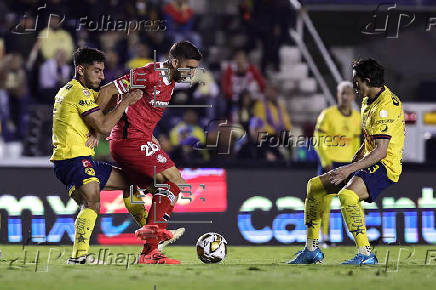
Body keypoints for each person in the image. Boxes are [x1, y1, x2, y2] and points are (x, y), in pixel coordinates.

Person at [288, 59, 405, 265]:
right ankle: (312, 250)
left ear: (367, 81)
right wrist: (353, 163)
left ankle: (366, 253)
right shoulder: (368, 100)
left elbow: (380, 151)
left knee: (347, 197)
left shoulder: (384, 108)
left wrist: (349, 169)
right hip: (369, 161)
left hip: (386, 165)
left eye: (356, 81)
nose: (354, 86)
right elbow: (369, 141)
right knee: (315, 187)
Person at [96, 40, 202, 264]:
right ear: (174, 62)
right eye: (189, 68)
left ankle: (150, 250)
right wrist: (96, 128)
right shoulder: (149, 74)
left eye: (195, 69)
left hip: (140, 140)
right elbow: (107, 91)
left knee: (166, 187)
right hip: (128, 142)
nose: (192, 73)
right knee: (176, 180)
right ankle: (154, 235)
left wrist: (153, 141)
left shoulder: (171, 81)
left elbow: (143, 115)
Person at [50, 47, 143, 264]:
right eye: (97, 71)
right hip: (72, 159)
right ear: (81, 69)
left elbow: (105, 101)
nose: (102, 76)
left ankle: (151, 232)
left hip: (78, 159)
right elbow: (103, 125)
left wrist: (119, 95)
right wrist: (126, 102)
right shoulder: (77, 93)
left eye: (103, 71)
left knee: (129, 182)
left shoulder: (77, 90)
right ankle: (79, 256)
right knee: (92, 202)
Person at [313, 81, 361, 247]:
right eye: (343, 93)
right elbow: (317, 140)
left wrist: (355, 163)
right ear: (337, 95)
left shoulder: (357, 117)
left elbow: (356, 142)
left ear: (353, 96)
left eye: (349, 93)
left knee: (352, 200)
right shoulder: (327, 114)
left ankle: (358, 237)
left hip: (348, 164)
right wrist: (326, 162)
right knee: (325, 202)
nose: (346, 97)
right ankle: (324, 238)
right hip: (331, 163)